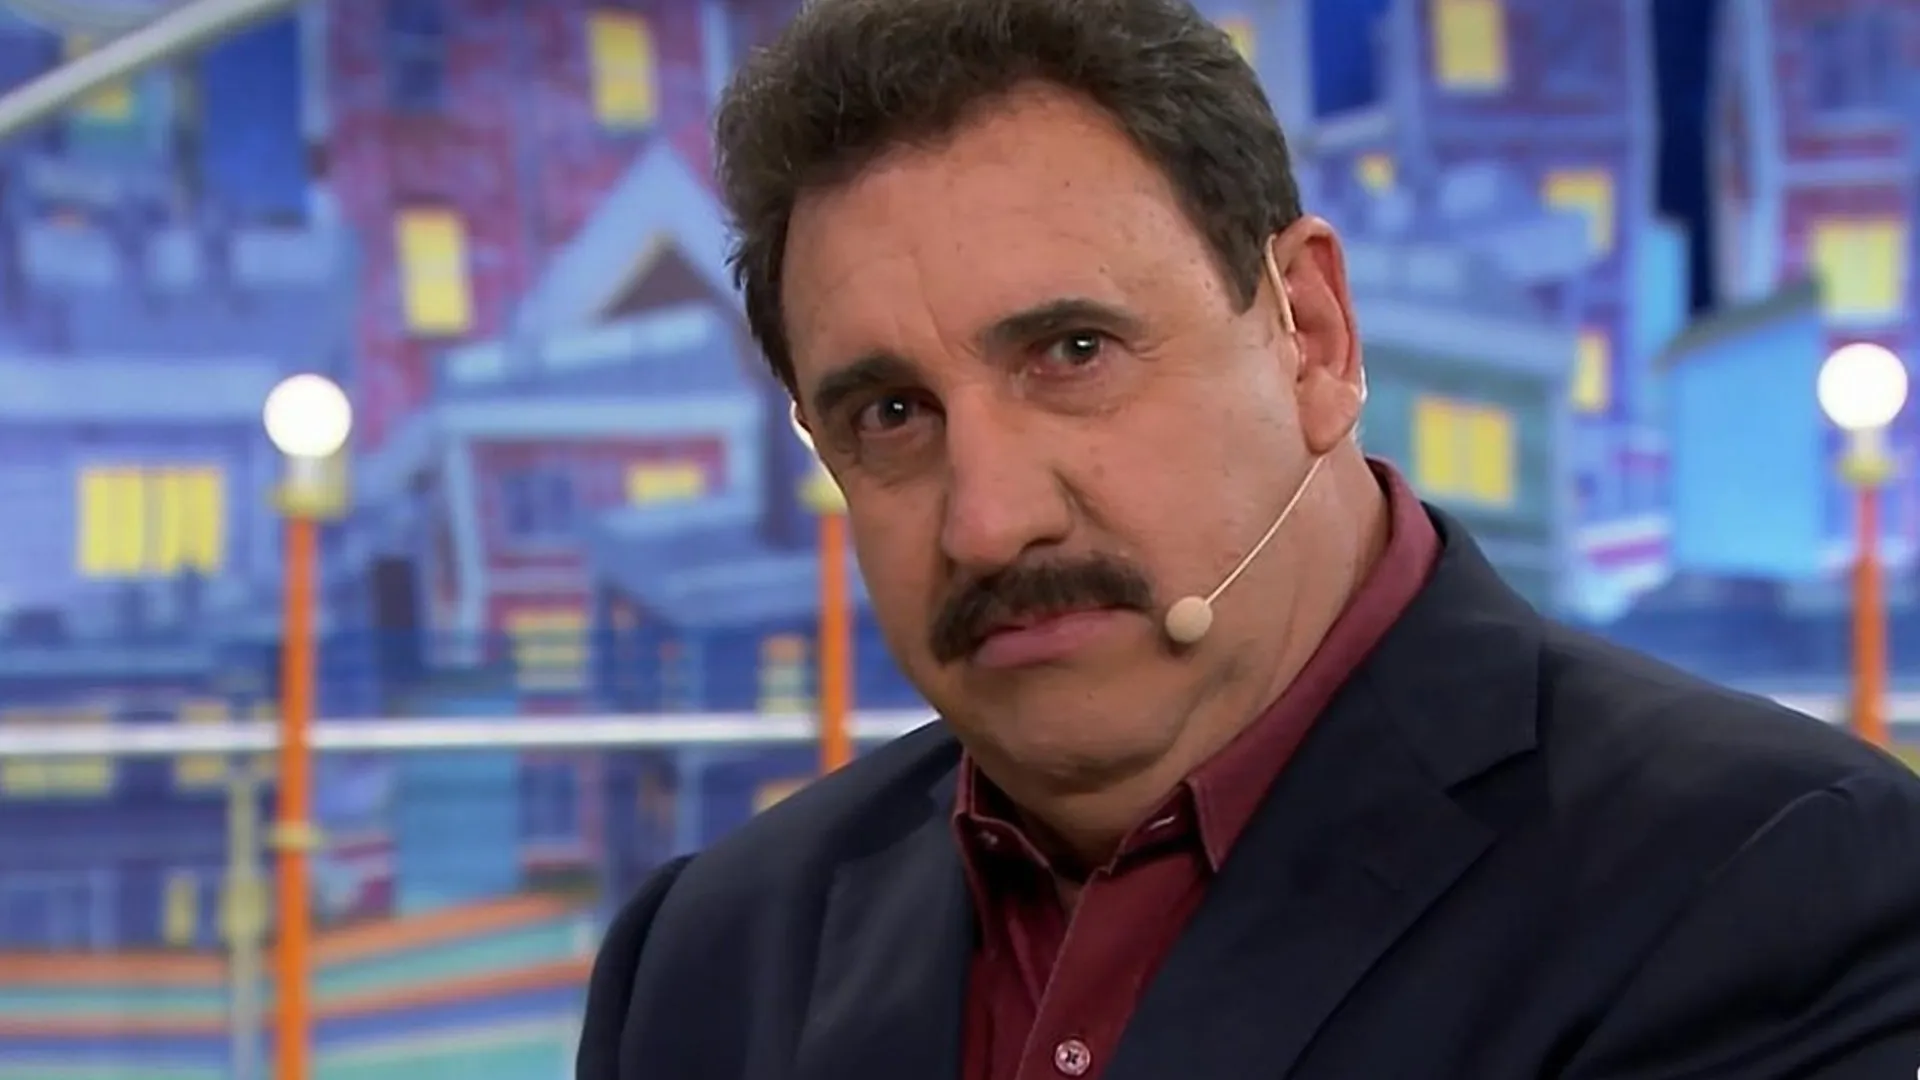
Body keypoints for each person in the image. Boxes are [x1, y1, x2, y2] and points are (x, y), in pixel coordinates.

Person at [577, 0, 1920, 1076]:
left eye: (1074, 352)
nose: (989, 521)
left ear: (1312, 337)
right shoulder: (707, 959)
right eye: (890, 414)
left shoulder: (1760, 880)